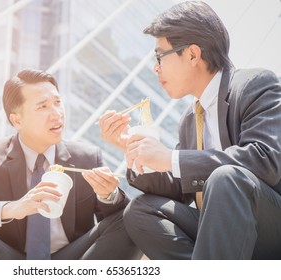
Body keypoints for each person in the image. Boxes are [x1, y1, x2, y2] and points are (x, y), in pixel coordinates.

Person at [99, 1, 281, 259]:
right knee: (141, 210)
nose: (156, 67)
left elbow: (266, 160)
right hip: (217, 231)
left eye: (160, 55)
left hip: (268, 225)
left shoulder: (256, 85)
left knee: (226, 177)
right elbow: (180, 186)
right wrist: (134, 151)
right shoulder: (189, 119)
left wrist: (170, 158)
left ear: (193, 55)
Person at [0, 69, 142, 260]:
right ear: (17, 121)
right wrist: (12, 208)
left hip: (71, 262)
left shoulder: (87, 157)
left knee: (133, 218)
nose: (56, 113)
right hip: (9, 259)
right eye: (43, 106)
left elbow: (116, 223)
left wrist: (108, 195)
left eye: (57, 102)